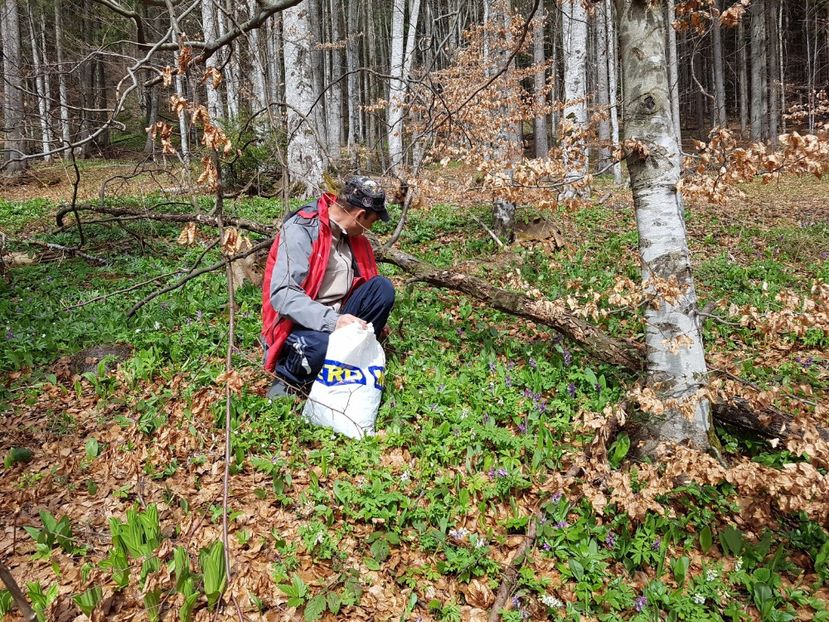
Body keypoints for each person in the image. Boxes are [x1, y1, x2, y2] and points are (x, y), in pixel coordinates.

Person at [260, 176, 395, 397]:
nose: (369, 229)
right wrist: (333, 322)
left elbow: (365, 283)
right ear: (360, 216)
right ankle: (288, 380)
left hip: (338, 315)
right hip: (299, 324)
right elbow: (283, 295)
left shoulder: (354, 238)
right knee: (323, 344)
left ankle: (349, 361)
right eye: (371, 222)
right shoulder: (302, 229)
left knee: (382, 289)